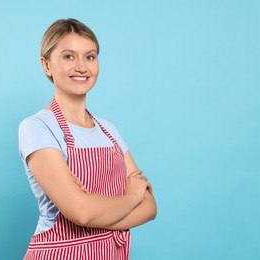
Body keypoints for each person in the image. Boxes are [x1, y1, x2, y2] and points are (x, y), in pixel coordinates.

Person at [18, 18, 157, 259]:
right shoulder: (37, 127)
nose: (82, 67)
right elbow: (81, 212)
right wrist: (132, 197)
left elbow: (150, 207)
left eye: (90, 57)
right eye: (69, 56)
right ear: (46, 65)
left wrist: (96, 210)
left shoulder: (108, 130)